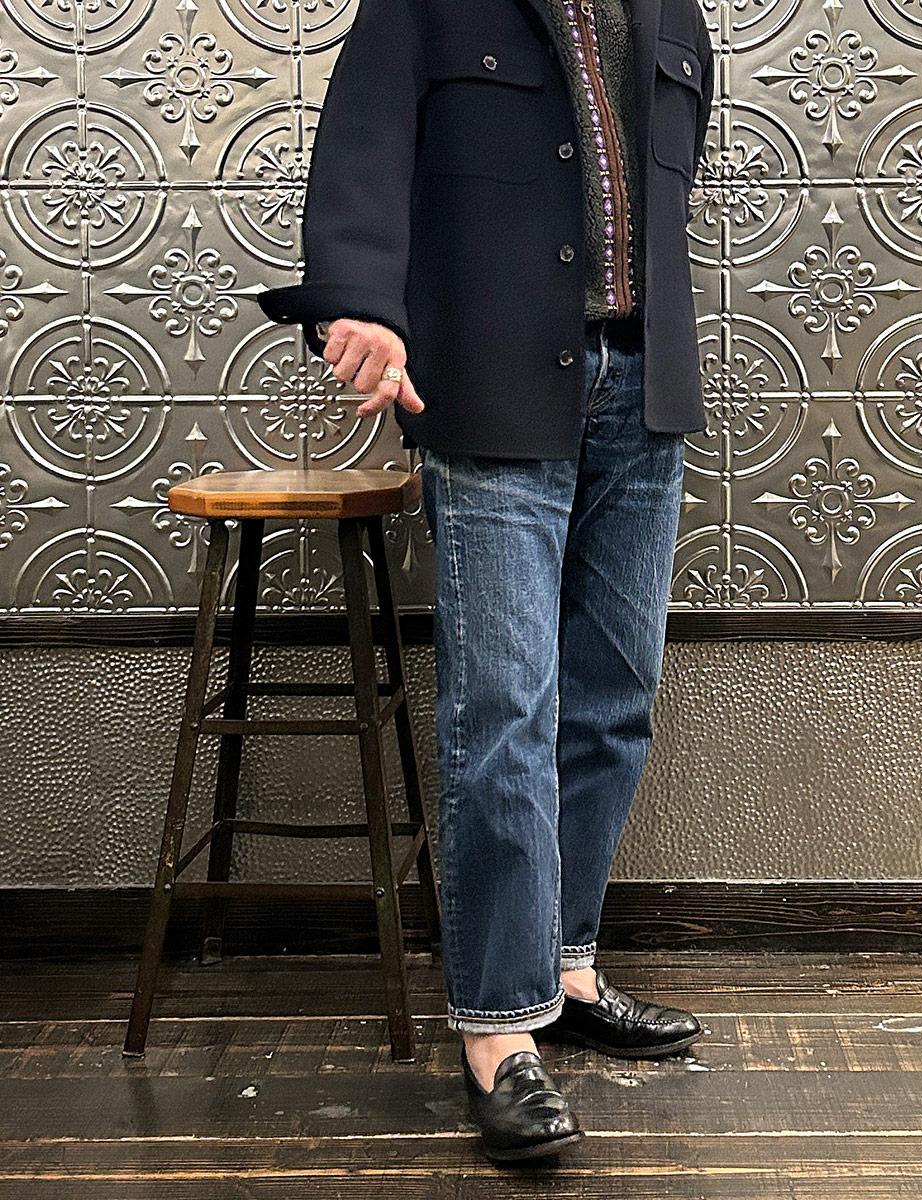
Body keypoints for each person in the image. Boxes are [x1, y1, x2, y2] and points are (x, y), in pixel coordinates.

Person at [257, 0, 716, 1163]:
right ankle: (500, 1032)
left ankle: (566, 969)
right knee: (503, 712)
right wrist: (363, 301)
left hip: (645, 385)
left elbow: (671, 173)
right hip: (496, 379)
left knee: (612, 703)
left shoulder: (670, 9)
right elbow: (362, 145)